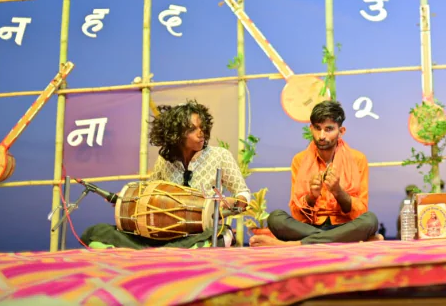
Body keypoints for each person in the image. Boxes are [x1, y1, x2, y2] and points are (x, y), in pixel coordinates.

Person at [81, 99, 251, 249]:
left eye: (202, 127)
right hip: (167, 235)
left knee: (218, 237)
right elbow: (150, 191)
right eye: (192, 129)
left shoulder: (220, 155)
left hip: (203, 231)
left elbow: (243, 193)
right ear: (176, 134)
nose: (201, 133)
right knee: (96, 233)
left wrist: (234, 202)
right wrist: (127, 198)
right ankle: (171, 249)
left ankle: (194, 247)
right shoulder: (165, 160)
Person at [250, 100, 381, 246]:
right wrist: (312, 196)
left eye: (329, 129)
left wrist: (338, 192)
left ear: (341, 131)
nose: (321, 136)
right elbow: (296, 213)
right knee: (276, 218)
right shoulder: (299, 160)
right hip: (309, 227)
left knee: (370, 220)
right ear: (311, 128)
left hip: (344, 226)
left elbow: (361, 211)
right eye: (317, 128)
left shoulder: (358, 159)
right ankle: (343, 240)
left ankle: (292, 245)